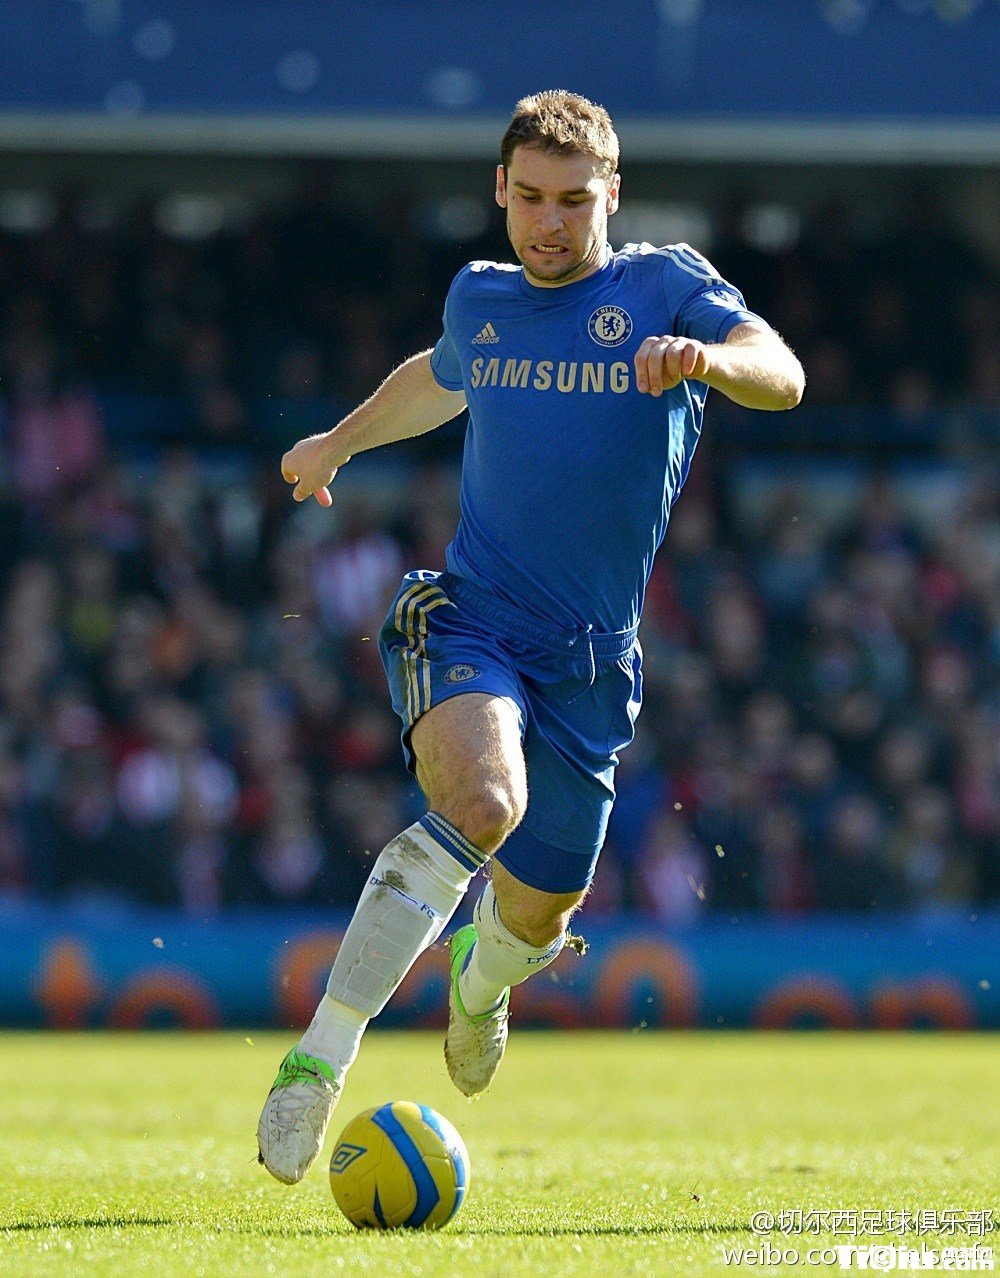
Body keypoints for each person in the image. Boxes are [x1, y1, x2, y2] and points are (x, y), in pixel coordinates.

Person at [257, 89, 804, 1184]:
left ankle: (480, 980)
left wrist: (706, 363)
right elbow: (442, 374)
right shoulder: (483, 296)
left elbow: (780, 375)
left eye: (574, 201)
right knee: (484, 803)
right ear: (501, 191)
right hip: (471, 620)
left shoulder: (665, 288)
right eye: (532, 198)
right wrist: (339, 442)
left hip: (592, 663)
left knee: (536, 915)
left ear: (613, 195)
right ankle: (319, 1058)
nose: (550, 223)